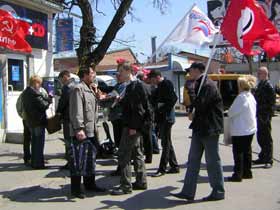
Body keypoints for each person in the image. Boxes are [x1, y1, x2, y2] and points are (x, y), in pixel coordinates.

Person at [171, 62, 225, 202]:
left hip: (209, 128)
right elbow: (196, 105)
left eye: (190, 71)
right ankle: (188, 191)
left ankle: (218, 191)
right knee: (193, 160)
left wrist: (192, 97)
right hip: (200, 127)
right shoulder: (199, 84)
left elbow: (201, 105)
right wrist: (191, 106)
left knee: (212, 160)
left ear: (197, 70)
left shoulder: (207, 85)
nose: (189, 74)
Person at [111, 61, 151, 195]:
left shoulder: (135, 87)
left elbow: (138, 109)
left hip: (132, 126)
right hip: (137, 126)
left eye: (120, 72)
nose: (119, 74)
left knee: (124, 155)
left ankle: (125, 186)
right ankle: (141, 181)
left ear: (128, 72)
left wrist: (133, 127)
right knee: (137, 153)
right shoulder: (135, 86)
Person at [69, 65, 105, 199]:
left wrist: (97, 95)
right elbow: (76, 110)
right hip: (82, 131)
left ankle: (90, 184)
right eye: (91, 73)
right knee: (78, 161)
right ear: (84, 75)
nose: (94, 75)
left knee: (91, 159)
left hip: (92, 130)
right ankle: (76, 189)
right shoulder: (78, 89)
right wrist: (78, 129)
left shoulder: (91, 88)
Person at [148, 70, 179, 177]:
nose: (151, 81)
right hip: (162, 118)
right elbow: (153, 99)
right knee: (167, 142)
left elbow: (173, 99)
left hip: (167, 118)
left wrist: (162, 109)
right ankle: (174, 166)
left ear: (157, 77)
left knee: (165, 143)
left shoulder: (166, 84)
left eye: (152, 79)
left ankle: (162, 169)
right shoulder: (158, 86)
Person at [227, 76, 257, 182]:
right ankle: (247, 172)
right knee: (247, 151)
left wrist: (228, 112)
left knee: (238, 152)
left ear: (240, 86)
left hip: (241, 129)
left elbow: (232, 112)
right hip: (250, 128)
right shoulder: (251, 96)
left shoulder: (241, 97)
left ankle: (238, 174)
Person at [22, 75, 52, 169]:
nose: (40, 85)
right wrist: (50, 99)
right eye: (39, 83)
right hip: (38, 121)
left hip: (30, 121)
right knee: (38, 143)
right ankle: (38, 164)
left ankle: (34, 162)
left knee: (34, 143)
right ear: (35, 83)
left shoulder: (25, 92)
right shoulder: (34, 93)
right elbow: (43, 105)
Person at [253, 66, 275, 168]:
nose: (257, 74)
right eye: (258, 73)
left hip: (265, 115)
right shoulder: (260, 84)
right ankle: (263, 156)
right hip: (259, 114)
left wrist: (265, 113)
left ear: (265, 74)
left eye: (259, 73)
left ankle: (269, 159)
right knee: (260, 137)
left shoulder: (268, 86)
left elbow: (271, 102)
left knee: (266, 137)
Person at [56, 70, 76, 169]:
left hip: (68, 117)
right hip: (74, 117)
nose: (61, 82)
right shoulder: (76, 85)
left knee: (68, 140)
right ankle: (73, 161)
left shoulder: (67, 87)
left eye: (60, 79)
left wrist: (58, 112)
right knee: (73, 140)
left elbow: (62, 102)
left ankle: (71, 162)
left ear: (65, 77)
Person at [16, 90, 31, 166]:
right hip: (31, 119)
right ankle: (31, 157)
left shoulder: (23, 93)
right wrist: (22, 115)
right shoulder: (41, 91)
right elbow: (18, 106)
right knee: (31, 139)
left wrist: (22, 115)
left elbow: (18, 106)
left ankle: (28, 158)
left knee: (27, 139)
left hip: (26, 119)